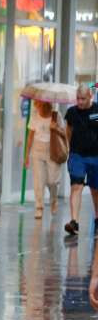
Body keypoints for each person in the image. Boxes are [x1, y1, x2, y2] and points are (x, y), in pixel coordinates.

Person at [64, 85, 98, 237]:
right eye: (78, 98)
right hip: (77, 155)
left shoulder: (97, 111)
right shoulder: (71, 112)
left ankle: (97, 219)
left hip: (95, 156)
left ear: (90, 97)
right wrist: (70, 149)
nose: (80, 102)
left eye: (83, 99)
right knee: (76, 186)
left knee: (95, 190)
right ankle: (74, 222)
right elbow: (68, 131)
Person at [25, 100, 66, 220]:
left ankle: (53, 200)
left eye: (40, 104)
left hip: (53, 150)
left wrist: (56, 127)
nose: (38, 106)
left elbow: (64, 133)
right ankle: (39, 207)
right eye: (37, 104)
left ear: (47, 104)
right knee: (39, 181)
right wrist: (26, 156)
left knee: (53, 181)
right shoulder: (34, 115)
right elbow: (30, 136)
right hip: (37, 151)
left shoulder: (56, 115)